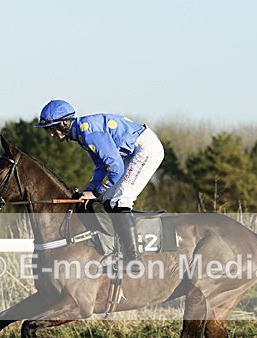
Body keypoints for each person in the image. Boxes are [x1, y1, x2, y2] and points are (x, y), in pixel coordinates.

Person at [35, 99, 164, 268]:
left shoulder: (89, 134)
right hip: (134, 151)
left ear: (65, 123)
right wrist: (87, 191)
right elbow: (101, 168)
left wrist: (95, 193)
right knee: (109, 201)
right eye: (48, 130)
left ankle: (133, 259)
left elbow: (115, 168)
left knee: (120, 200)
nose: (51, 134)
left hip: (146, 148)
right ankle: (119, 251)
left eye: (53, 128)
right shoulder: (82, 133)